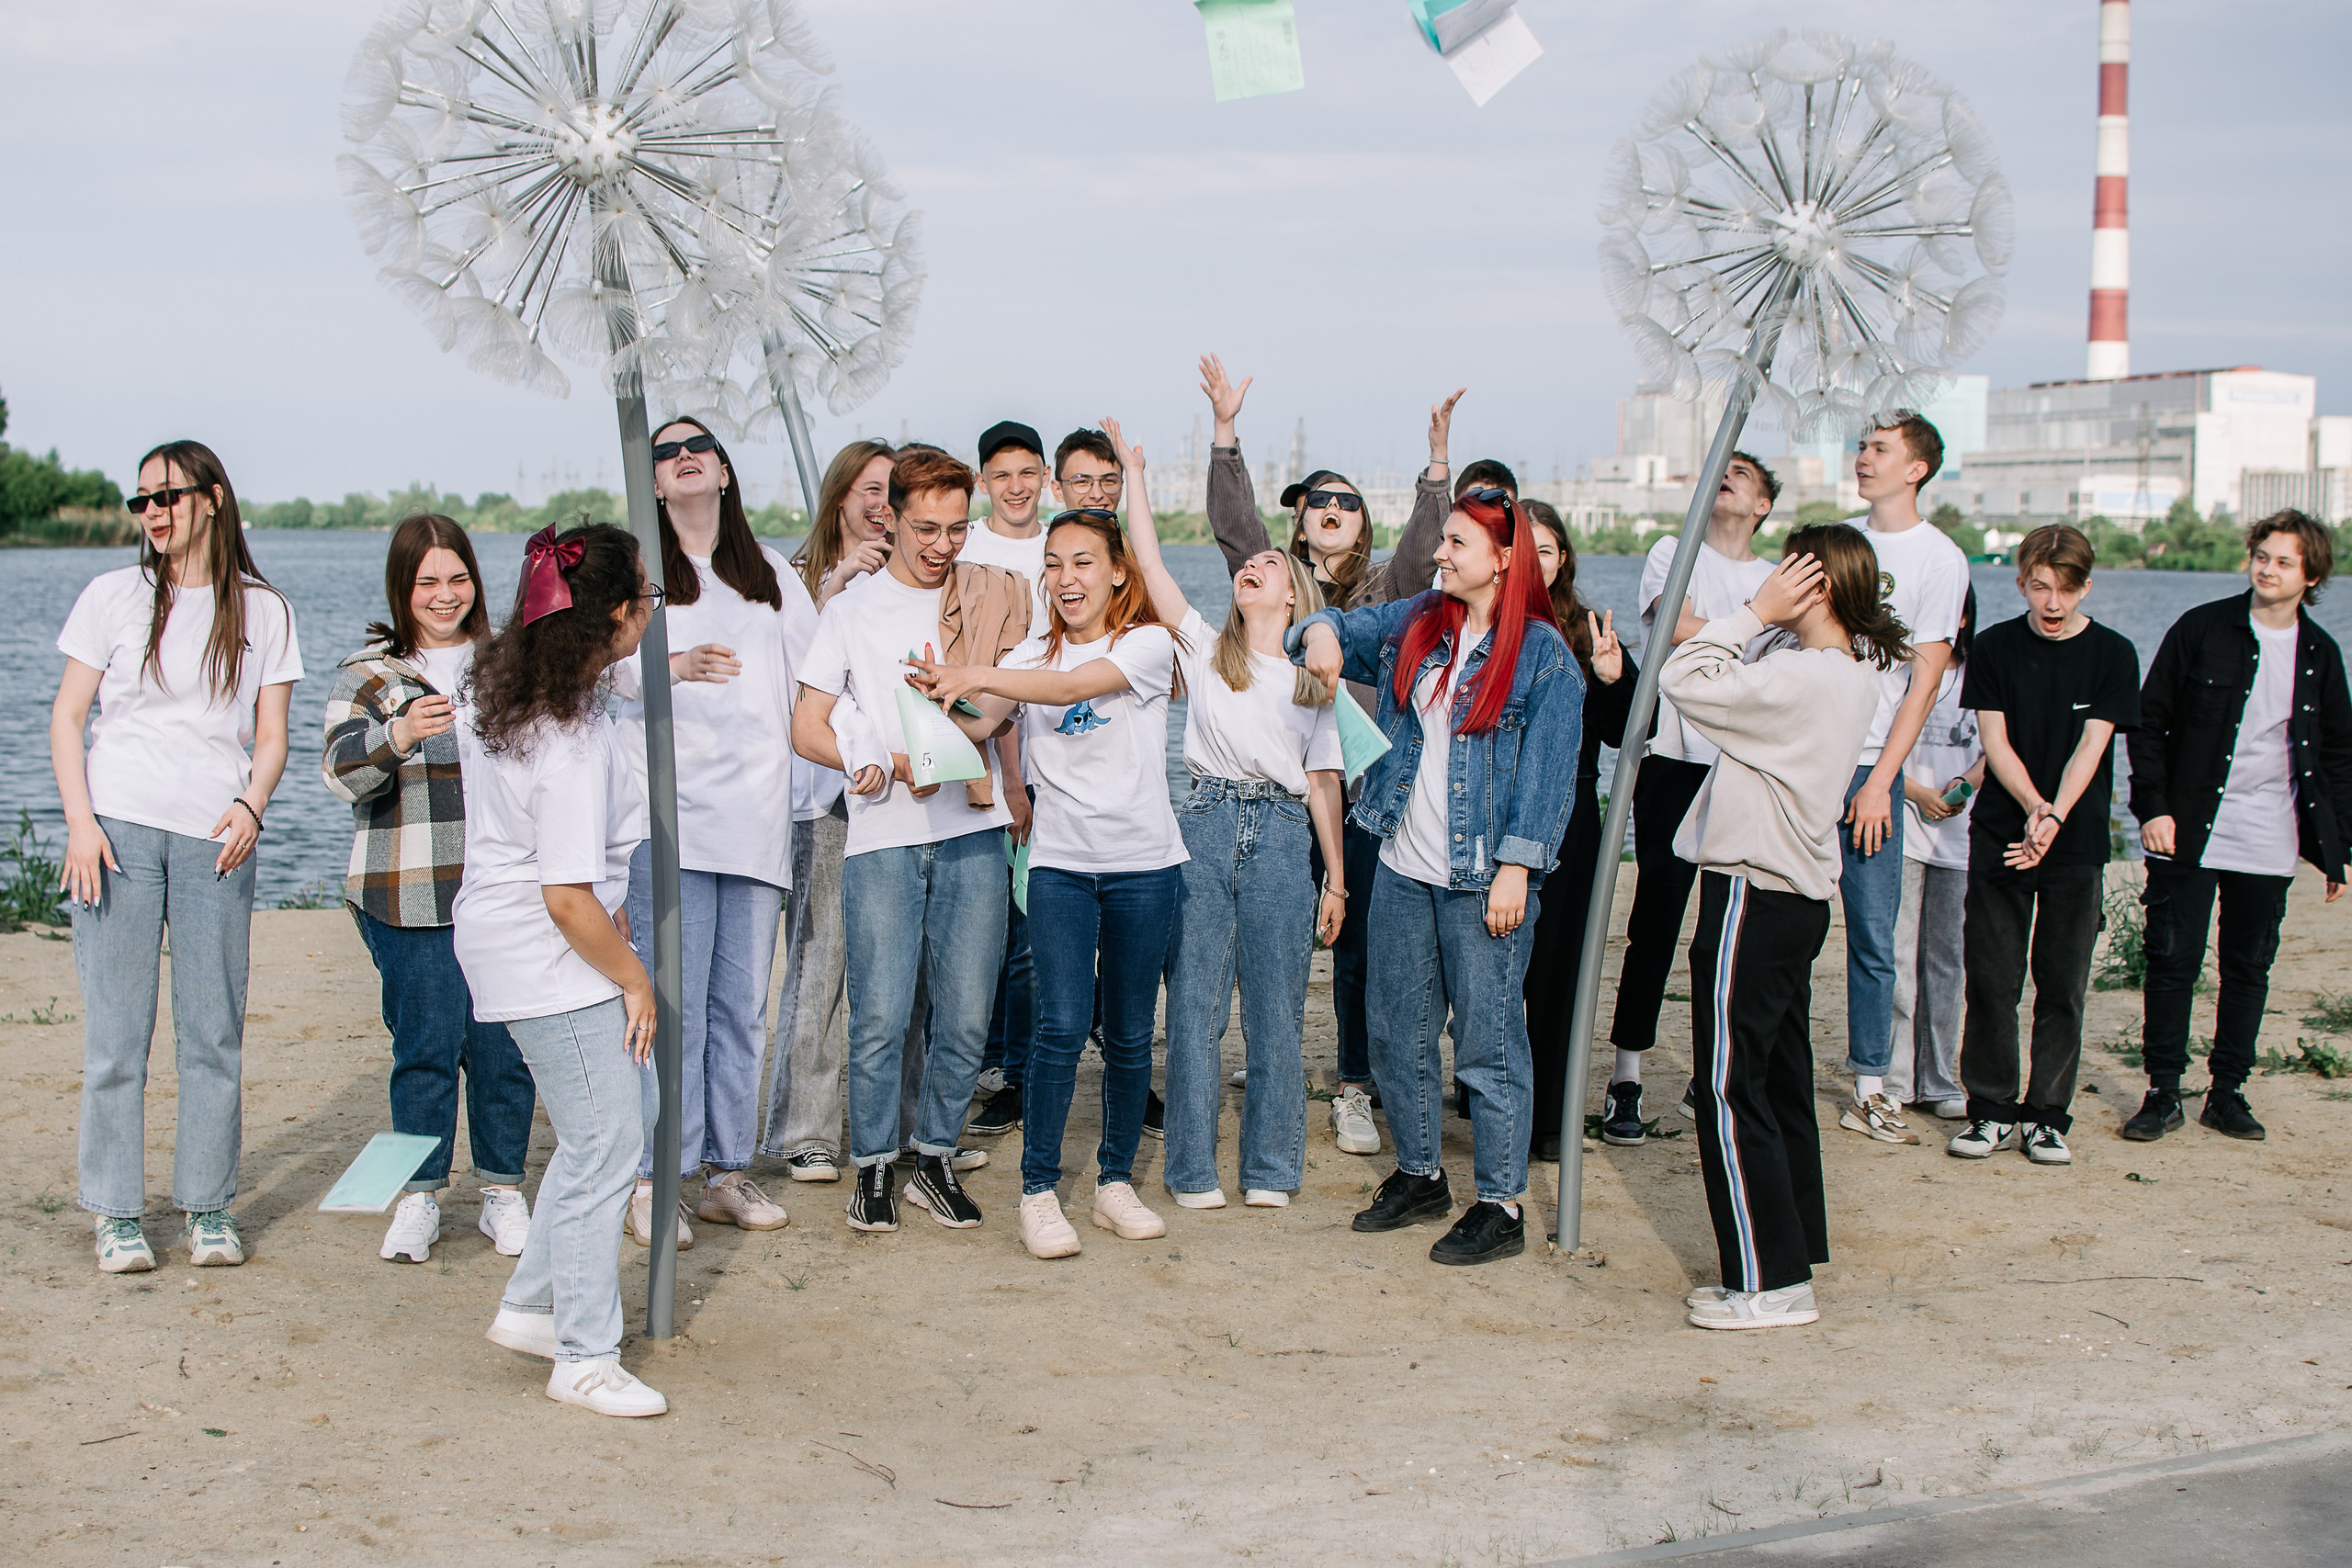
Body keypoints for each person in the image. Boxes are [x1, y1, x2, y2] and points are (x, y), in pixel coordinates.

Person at [1293, 488, 1582, 1268]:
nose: (1439, 554)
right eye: (1442, 540)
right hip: (1400, 863)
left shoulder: (1546, 658)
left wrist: (1517, 868)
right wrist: (1320, 634)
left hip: (1484, 876)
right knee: (1397, 1029)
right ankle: (1420, 1174)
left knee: (1487, 1045)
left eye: (1456, 542)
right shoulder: (1423, 616)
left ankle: (1501, 1201)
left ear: (1502, 558)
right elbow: (1328, 626)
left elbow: (1551, 778)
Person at [1200, 353, 1468, 1157]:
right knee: (1272, 937)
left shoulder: (1385, 592)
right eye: (1317, 500)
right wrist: (1224, 432)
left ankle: (1353, 1081)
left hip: (1361, 795)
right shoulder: (1273, 580)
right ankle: (1275, 1056)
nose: (1329, 508)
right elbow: (1235, 526)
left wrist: (1436, 466)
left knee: (1353, 945)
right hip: (1277, 797)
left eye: (1345, 502)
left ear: (1363, 522)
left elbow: (1428, 556)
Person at [911, 502, 1190, 1259]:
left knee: (1132, 1034)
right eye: (1055, 564)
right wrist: (934, 695)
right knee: (1060, 1027)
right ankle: (1038, 1191)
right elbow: (982, 721)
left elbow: (1069, 692)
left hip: (1144, 865)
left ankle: (1113, 1183)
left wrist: (974, 669)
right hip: (1062, 865)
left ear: (1117, 572)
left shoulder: (1147, 645)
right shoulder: (1031, 650)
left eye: (1083, 562)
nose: (1067, 578)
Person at [51, 440, 303, 1275]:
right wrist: (81, 824)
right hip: (116, 835)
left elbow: (271, 737)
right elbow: (67, 719)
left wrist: (251, 806)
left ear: (214, 499)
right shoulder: (112, 596)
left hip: (215, 838)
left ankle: (208, 1205)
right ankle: (117, 1214)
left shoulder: (264, 610)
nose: (152, 513)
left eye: (167, 496)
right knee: (118, 1037)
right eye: (142, 502)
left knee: (212, 1032)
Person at [1102, 416, 1347, 1210]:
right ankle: (1192, 1172)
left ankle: (1273, 1169)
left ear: (1293, 593)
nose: (1256, 567)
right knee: (1197, 1006)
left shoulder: (1313, 683)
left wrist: (1336, 880)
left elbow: (1323, 785)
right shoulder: (1207, 651)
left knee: (1276, 1014)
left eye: (1271, 564)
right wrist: (1135, 474)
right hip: (1204, 826)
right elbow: (1149, 560)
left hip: (1281, 838)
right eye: (1250, 563)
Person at [1666, 527, 1905, 1331]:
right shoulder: (1846, 674)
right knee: (1776, 1081)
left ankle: (1767, 1283)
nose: (1771, 580)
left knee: (1729, 1088)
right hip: (1793, 897)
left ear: (1818, 585)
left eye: (1786, 572)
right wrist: (1768, 622)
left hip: (1753, 892)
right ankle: (1791, 1258)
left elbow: (1683, 676)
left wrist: (1748, 613)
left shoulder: (1803, 676)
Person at [458, 523, 667, 1418]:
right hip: (547, 950)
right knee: (607, 1140)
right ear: (615, 616)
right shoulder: (567, 737)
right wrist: (634, 980)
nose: (653, 614)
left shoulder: (521, 687)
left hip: (527, 935)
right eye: (647, 600)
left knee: (621, 1119)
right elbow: (567, 898)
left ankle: (533, 1305)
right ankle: (584, 1354)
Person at [793, 447, 1020, 1236]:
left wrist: (966, 740)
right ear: (889, 514)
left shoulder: (988, 597)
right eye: (927, 527)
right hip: (883, 837)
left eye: (958, 528)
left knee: (964, 1013)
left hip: (974, 830)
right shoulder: (850, 611)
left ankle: (934, 1155)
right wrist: (887, 761)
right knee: (882, 1015)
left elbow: (1013, 697)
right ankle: (875, 1168)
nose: (942, 544)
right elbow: (805, 728)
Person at [322, 513, 535, 1265]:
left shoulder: (509, 662)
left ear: (475, 581)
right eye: (426, 582)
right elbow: (340, 772)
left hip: (506, 890)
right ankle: (418, 1197)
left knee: (504, 1047)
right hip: (408, 892)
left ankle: (502, 1191)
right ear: (402, 588)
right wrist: (399, 734)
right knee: (426, 1048)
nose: (444, 596)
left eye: (456, 578)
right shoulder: (369, 673)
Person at [613, 418, 795, 1247]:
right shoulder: (639, 578)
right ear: (653, 482)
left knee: (739, 1010)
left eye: (700, 448)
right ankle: (653, 1176)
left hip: (756, 824)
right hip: (670, 824)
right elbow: (596, 674)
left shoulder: (773, 580)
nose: (684, 458)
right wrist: (669, 666)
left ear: (723, 471)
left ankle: (725, 1169)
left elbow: (819, 687)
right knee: (666, 1006)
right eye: (666, 453)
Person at [2123, 510, 2352, 1143]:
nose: (2268, 569)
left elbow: (2337, 757)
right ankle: (2162, 1090)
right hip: (2190, 828)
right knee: (2172, 959)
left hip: (2271, 832)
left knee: (2248, 965)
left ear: (2310, 575)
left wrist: (2338, 849)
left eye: (2284, 561)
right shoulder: (2201, 628)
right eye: (2262, 556)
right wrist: (2154, 808)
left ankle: (2227, 1092)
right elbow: (2150, 722)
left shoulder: (2319, 654)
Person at [1947, 525, 2141, 1168]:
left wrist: (2054, 817)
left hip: (2076, 841)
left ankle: (2047, 1116)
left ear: (2087, 585)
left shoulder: (2114, 654)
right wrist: (2033, 808)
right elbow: (1995, 745)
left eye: (2065, 589)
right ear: (2022, 580)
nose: (2052, 603)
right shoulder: (1997, 646)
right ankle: (1992, 1109)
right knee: (1993, 978)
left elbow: (2093, 747)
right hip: (2003, 833)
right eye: (2039, 587)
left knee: (2062, 983)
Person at [1603, 452, 1779, 1140]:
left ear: (1763, 503)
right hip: (1674, 759)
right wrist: (1752, 629)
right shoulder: (1672, 552)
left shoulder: (1772, 575)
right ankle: (1626, 1077)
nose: (1727, 476)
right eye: (1722, 468)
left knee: (1727, 929)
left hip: (1741, 763)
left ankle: (1713, 1079)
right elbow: (1672, 625)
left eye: (1744, 473)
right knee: (1656, 920)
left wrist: (1747, 627)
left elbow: (1777, 660)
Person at [760, 440, 897, 1184]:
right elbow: (784, 689)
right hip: (821, 798)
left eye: (891, 491)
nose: (881, 503)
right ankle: (804, 1129)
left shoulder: (910, 580)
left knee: (903, 969)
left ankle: (901, 1125)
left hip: (897, 796)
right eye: (869, 488)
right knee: (819, 963)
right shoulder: (791, 577)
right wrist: (835, 591)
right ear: (841, 495)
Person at [1835, 412, 1970, 1145]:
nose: (1863, 458)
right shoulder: (1839, 539)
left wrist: (1882, 779)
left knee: (1873, 931)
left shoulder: (1940, 558)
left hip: (1870, 765)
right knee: (1783, 922)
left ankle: (1871, 1085)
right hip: (1811, 754)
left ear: (1915, 467)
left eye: (1880, 449)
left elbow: (1924, 681)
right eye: (1861, 445)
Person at [1516, 502, 1636, 1162]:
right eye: (1524, 546)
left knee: (1561, 974)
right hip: (1497, 815)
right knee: (1504, 972)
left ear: (1564, 559)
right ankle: (1500, 1102)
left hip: (1571, 820)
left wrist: (1615, 680)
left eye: (1549, 548)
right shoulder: (1480, 621)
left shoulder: (1586, 630)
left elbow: (1623, 731)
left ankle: (1553, 1120)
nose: (1537, 559)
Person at [953, 420, 1048, 1141]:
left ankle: (1023, 1066)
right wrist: (1007, 777)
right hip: (990, 763)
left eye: (1028, 472)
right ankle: (999, 1069)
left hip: (1062, 760)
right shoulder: (967, 550)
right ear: (982, 479)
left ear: (1044, 476)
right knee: (999, 930)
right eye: (1002, 473)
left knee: (1040, 929)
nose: (1016, 486)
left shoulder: (1064, 547)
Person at [1887, 587, 1984, 1122]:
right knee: (1898, 958)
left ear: (1963, 615)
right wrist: (1917, 793)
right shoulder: (1897, 673)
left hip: (1960, 838)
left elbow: (1996, 746)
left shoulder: (1979, 675)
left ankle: (1939, 1078)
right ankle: (1896, 1077)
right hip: (1903, 827)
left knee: (1946, 962)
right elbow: (1875, 747)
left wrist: (1960, 790)